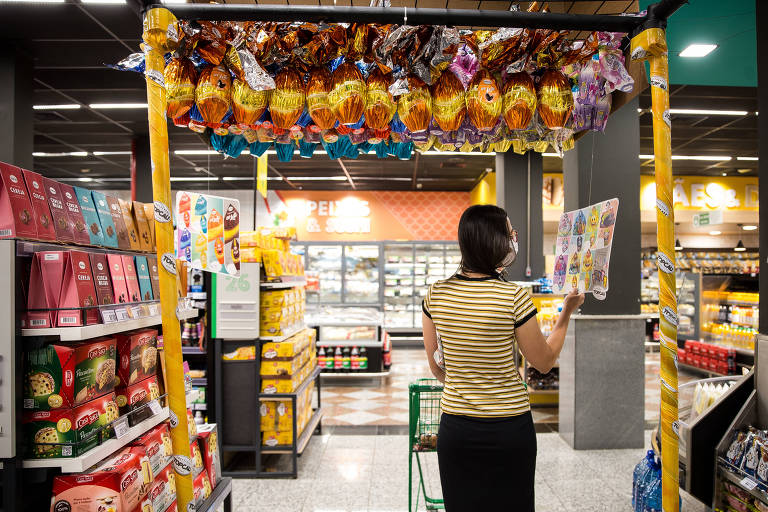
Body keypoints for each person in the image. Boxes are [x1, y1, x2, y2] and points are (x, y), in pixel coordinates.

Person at [421, 204, 585, 512]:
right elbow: (544, 361)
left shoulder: (436, 295)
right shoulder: (514, 297)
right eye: (509, 233)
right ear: (492, 241)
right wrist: (566, 314)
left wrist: (465, 384)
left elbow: (436, 366)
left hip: (456, 429)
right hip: (509, 429)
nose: (514, 238)